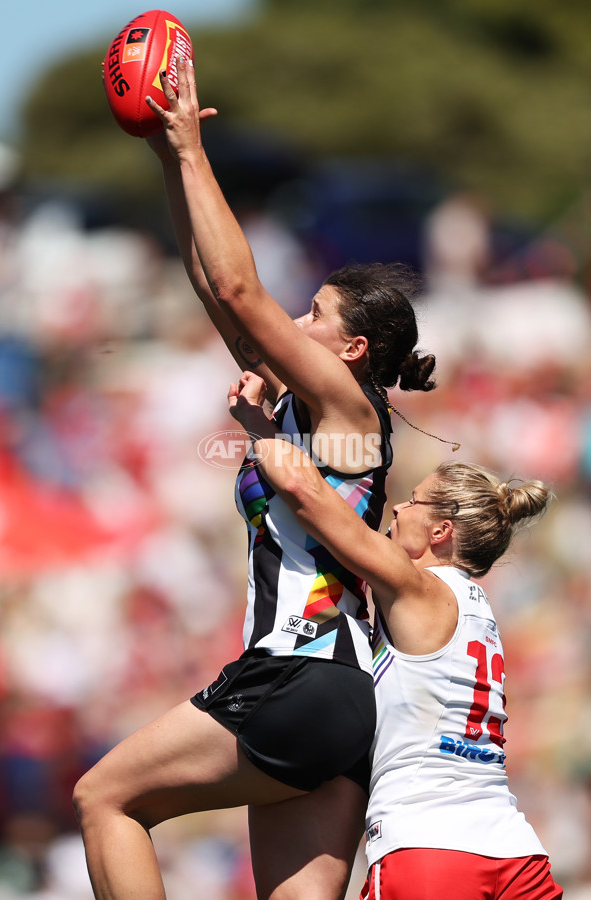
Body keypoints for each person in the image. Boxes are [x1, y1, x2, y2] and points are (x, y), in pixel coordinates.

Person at [73, 57, 437, 900]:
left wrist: (196, 147)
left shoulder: (349, 410)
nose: (293, 320)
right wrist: (169, 156)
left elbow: (240, 290)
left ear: (352, 351)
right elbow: (215, 286)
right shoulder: (311, 408)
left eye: (313, 314)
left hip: (297, 675)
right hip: (345, 701)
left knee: (106, 800)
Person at [229, 371, 563, 900]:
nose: (399, 508)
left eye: (415, 500)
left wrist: (257, 425)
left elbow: (307, 495)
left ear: (441, 530)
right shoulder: (477, 606)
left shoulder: (415, 586)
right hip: (516, 852)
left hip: (428, 845)